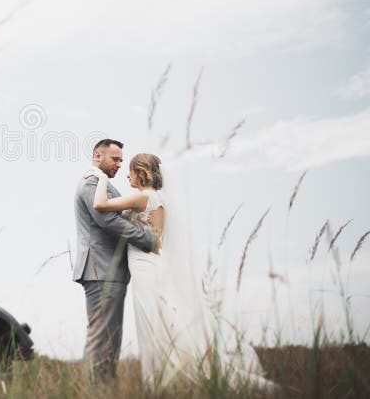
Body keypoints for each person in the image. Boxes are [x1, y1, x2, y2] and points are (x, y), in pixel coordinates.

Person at [84, 153, 275, 390]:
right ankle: (166, 379)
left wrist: (100, 176)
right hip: (152, 266)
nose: (126, 174)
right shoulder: (156, 199)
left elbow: (100, 204)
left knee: (152, 325)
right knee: (162, 323)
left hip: (145, 270)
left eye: (131, 171)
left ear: (141, 173)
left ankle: (160, 382)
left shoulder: (143, 197)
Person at [73, 139, 159, 382]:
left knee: (107, 335)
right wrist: (148, 239)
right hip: (102, 269)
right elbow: (107, 221)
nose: (120, 164)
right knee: (103, 336)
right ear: (97, 156)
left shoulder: (100, 183)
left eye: (122, 159)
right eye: (115, 159)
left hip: (106, 270)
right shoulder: (92, 181)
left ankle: (101, 388)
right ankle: (98, 390)